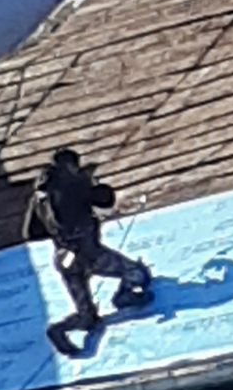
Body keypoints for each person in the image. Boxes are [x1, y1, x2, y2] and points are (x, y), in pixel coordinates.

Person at [24, 147, 155, 354]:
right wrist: (92, 187)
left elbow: (32, 232)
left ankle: (59, 329)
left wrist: (58, 229)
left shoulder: (40, 197)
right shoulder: (75, 184)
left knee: (87, 318)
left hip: (64, 259)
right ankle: (123, 297)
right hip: (91, 255)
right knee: (139, 274)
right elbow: (105, 200)